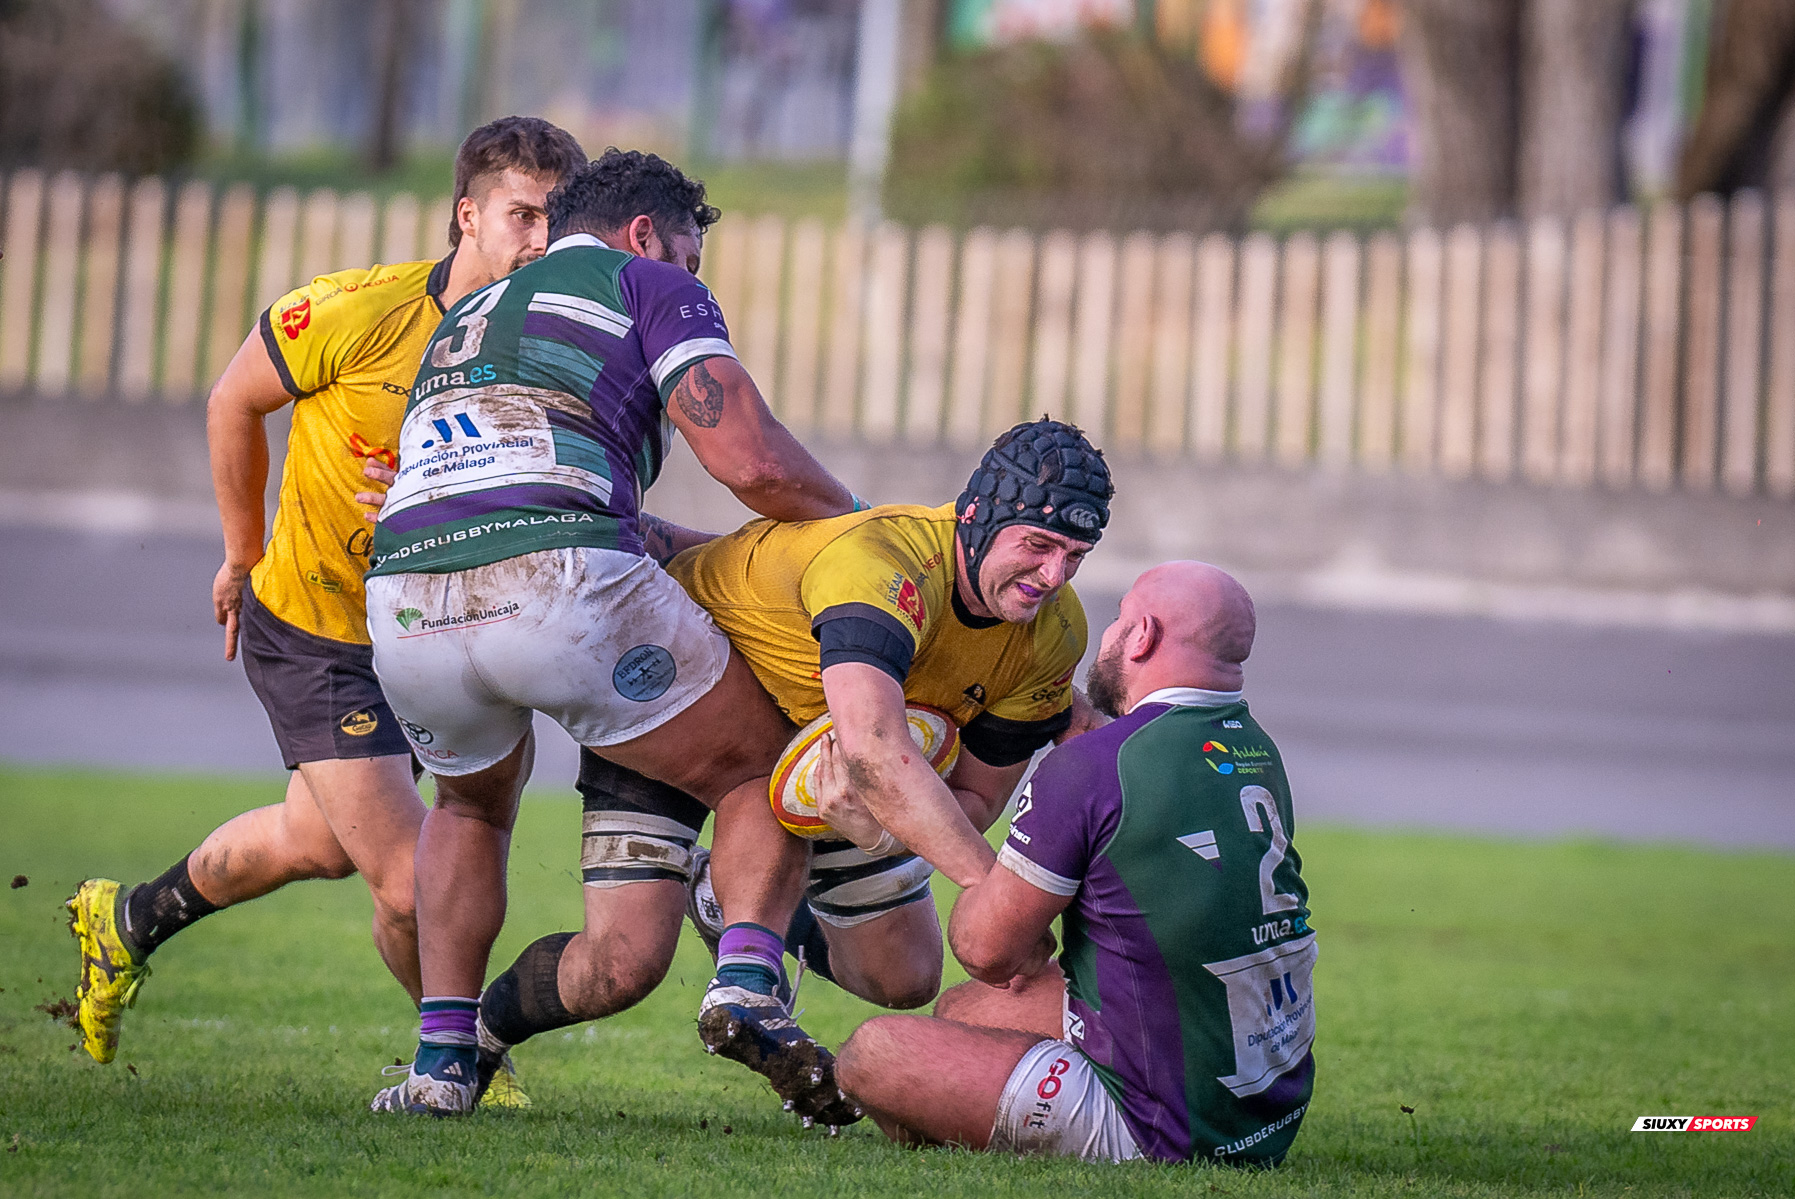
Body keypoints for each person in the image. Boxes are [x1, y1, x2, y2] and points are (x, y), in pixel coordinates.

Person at [65, 118, 587, 1078]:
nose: (542, 241)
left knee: (316, 839)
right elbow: (234, 399)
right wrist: (240, 552)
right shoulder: (360, 311)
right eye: (523, 216)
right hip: (320, 629)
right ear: (466, 214)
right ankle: (461, 1061)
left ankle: (126, 919)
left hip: (433, 637)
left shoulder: (550, 345)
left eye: (559, 221)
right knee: (403, 879)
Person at [359, 149, 862, 1119]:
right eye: (691, 254)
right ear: (646, 234)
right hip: (554, 580)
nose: (693, 274)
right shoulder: (647, 281)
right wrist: (859, 526)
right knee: (765, 766)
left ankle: (440, 1065)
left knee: (468, 808)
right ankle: (750, 981)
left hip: (406, 595)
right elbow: (751, 460)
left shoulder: (470, 310)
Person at [466, 418, 1113, 1116]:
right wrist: (1000, 899)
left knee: (906, 974)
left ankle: (726, 903)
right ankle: (477, 1035)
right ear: (976, 516)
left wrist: (883, 831)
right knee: (619, 967)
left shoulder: (1055, 634)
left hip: (809, 746)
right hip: (678, 692)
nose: (1053, 574)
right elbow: (872, 748)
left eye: (1075, 555)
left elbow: (972, 797)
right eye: (1038, 545)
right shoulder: (883, 561)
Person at [832, 561, 1317, 1168]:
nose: (1110, 634)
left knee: (873, 1055)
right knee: (968, 1012)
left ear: (1141, 636)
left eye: (1118, 619)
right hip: (1265, 1105)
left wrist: (888, 838)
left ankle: (997, 1134)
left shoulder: (1092, 767)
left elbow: (984, 950)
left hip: (1158, 1128)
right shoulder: (1253, 748)